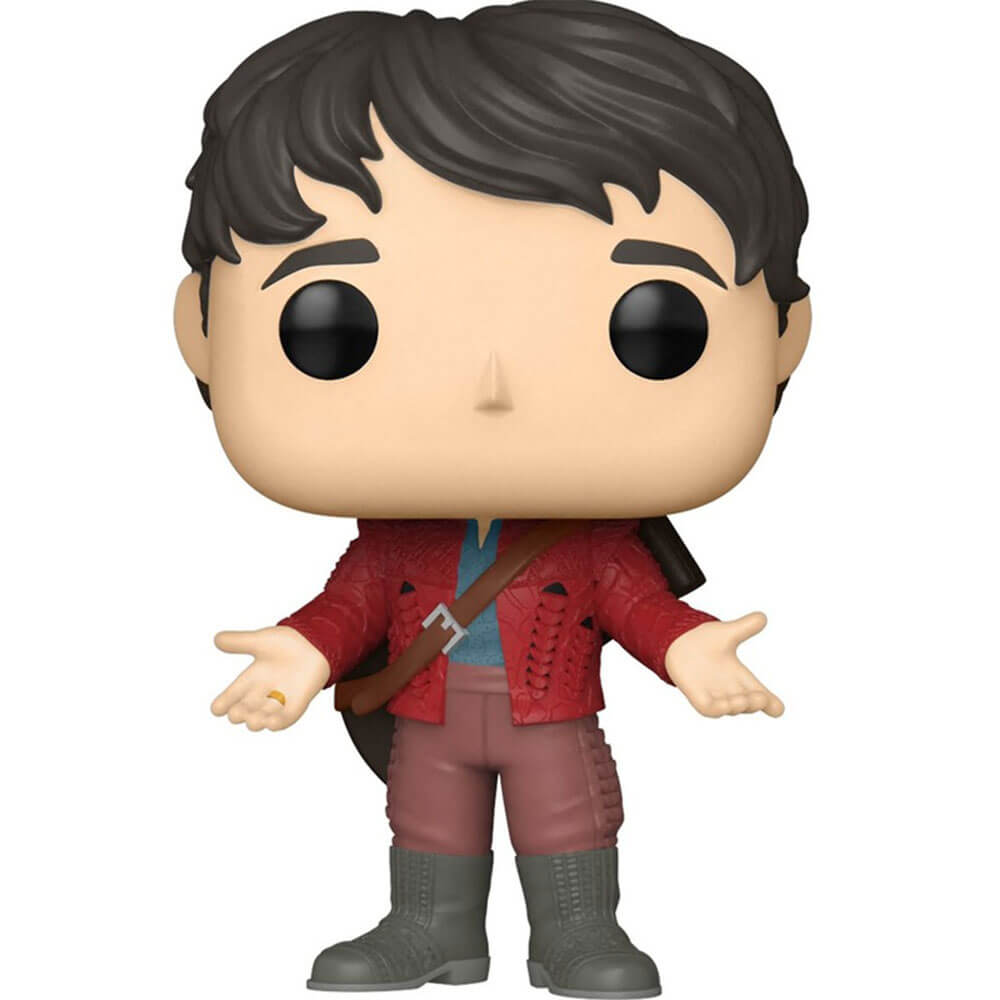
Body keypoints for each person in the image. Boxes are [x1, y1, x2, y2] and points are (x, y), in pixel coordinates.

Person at [174, 3, 810, 996]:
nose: (492, 388)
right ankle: (430, 930)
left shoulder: (588, 541)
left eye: (654, 325)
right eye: (334, 324)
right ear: (202, 331)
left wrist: (689, 647)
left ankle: (578, 933)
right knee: (427, 818)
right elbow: (353, 602)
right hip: (431, 710)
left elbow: (633, 600)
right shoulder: (395, 542)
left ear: (781, 336)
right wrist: (302, 653)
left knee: (567, 816)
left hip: (549, 706)